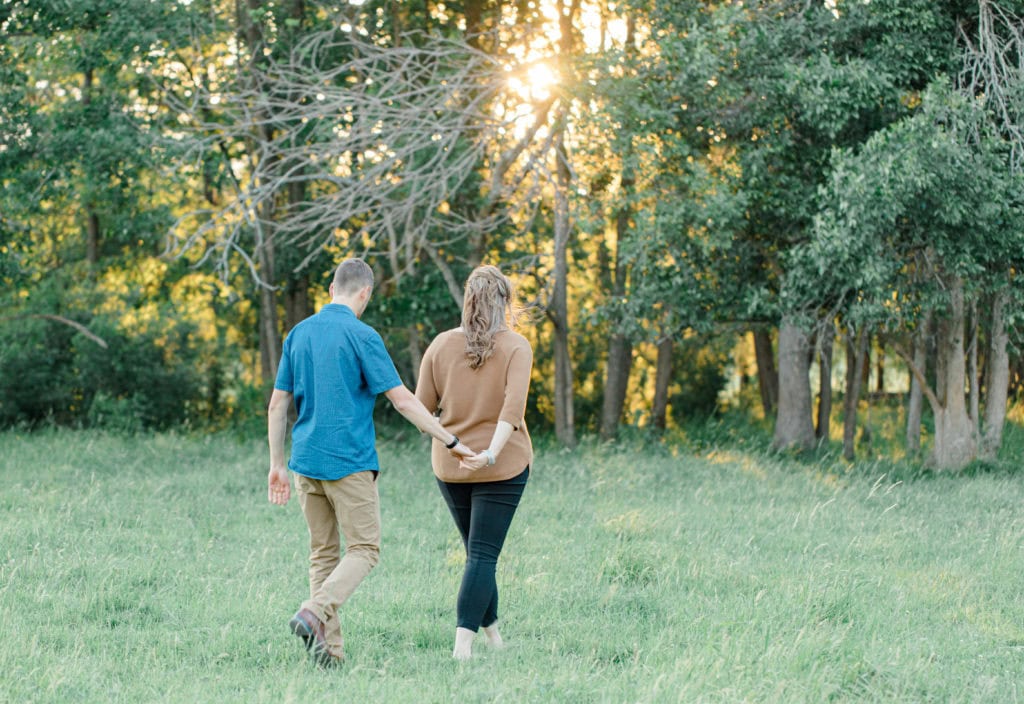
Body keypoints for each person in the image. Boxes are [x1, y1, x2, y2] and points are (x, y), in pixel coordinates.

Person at [267, 257, 472, 667]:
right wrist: (449, 439)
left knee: (323, 555)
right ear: (365, 294)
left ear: (331, 290)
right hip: (349, 464)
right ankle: (313, 611)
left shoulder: (298, 334)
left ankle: (331, 653)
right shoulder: (362, 336)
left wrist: (277, 464)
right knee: (365, 549)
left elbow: (277, 405)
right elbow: (401, 400)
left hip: (304, 462)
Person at [414, 264, 533, 660]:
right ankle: (462, 649)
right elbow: (511, 413)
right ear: (504, 302)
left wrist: (453, 444)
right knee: (482, 555)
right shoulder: (517, 346)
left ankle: (494, 638)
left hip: (451, 467)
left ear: (468, 300)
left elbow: (421, 412)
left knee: (477, 554)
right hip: (503, 467)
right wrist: (490, 455)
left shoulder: (441, 344)